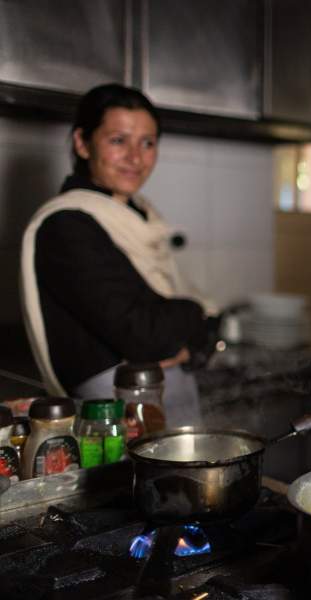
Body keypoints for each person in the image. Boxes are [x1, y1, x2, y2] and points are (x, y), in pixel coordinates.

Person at [20, 84, 218, 425]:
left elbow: (190, 328)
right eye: (118, 140)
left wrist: (195, 330)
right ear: (82, 143)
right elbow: (146, 338)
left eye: (147, 143)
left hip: (172, 409)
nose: (135, 157)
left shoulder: (143, 218)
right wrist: (198, 312)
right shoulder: (67, 225)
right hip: (113, 426)